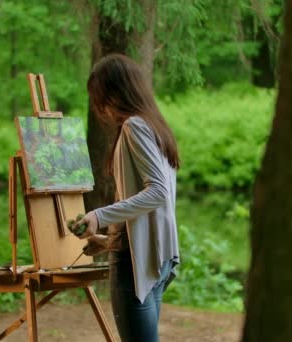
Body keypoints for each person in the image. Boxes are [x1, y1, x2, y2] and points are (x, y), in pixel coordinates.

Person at [72, 53, 180, 342]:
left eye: (99, 97)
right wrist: (109, 241)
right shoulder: (154, 125)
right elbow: (153, 208)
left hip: (136, 261)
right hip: (153, 255)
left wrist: (98, 216)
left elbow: (158, 193)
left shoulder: (135, 126)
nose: (100, 108)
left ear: (113, 93)